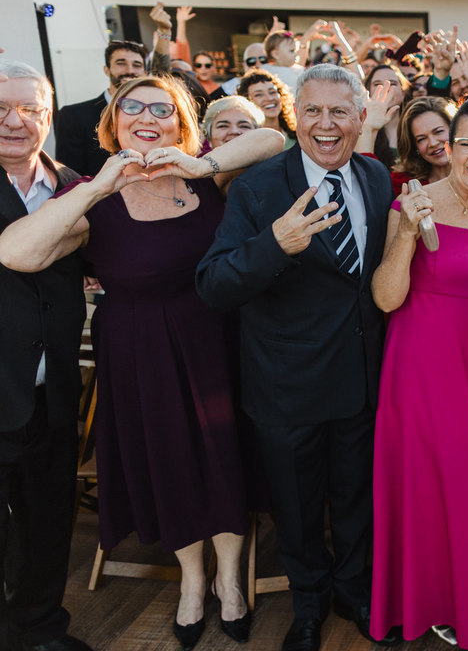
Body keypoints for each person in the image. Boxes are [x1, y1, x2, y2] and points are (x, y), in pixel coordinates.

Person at [0, 73, 284, 650]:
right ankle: (191, 580)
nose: (147, 117)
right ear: (113, 123)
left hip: (214, 340)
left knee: (224, 458)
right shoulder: (88, 196)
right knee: (169, 463)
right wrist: (100, 185)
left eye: (163, 108)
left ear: (183, 124)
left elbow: (273, 140)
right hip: (138, 352)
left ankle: (230, 581)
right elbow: (18, 253)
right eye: (132, 108)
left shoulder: (208, 175)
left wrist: (198, 164)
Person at [196, 65, 398, 651]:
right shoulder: (259, 187)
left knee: (356, 499)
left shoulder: (378, 178)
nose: (326, 124)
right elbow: (213, 286)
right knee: (298, 507)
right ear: (295, 118)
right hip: (286, 388)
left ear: (362, 119)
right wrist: (274, 247)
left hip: (360, 380)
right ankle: (307, 605)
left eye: (341, 111)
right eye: (313, 111)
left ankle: (353, 591)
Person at [370, 97, 468, 649]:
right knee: (423, 486)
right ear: (448, 148)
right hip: (417, 366)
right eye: (467, 144)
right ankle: (421, 603)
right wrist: (408, 232)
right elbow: (386, 299)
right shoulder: (410, 202)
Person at [0, 61, 94, 651]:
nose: (15, 121)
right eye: (1, 108)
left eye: (30, 109)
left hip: (51, 389)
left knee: (47, 523)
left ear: (48, 114)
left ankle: (40, 629)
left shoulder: (73, 183)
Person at [54, 40, 146, 176]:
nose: (130, 71)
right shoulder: (73, 116)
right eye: (121, 63)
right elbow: (69, 175)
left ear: (145, 72)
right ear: (107, 70)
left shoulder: (153, 115)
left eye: (136, 65)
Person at [237, 70, 296, 146]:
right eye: (259, 95)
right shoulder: (245, 143)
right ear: (247, 101)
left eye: (272, 92)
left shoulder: (298, 136)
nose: (269, 98)